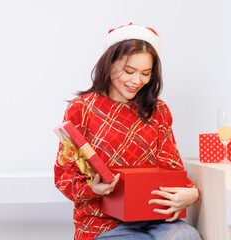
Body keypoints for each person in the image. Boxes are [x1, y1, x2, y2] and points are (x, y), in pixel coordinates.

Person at [54, 23, 201, 240]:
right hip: (101, 222)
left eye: (145, 73)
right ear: (109, 62)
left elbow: (172, 167)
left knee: (185, 235)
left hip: (156, 217)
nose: (136, 81)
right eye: (129, 71)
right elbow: (63, 176)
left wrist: (192, 193)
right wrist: (93, 190)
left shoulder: (158, 110)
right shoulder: (81, 108)